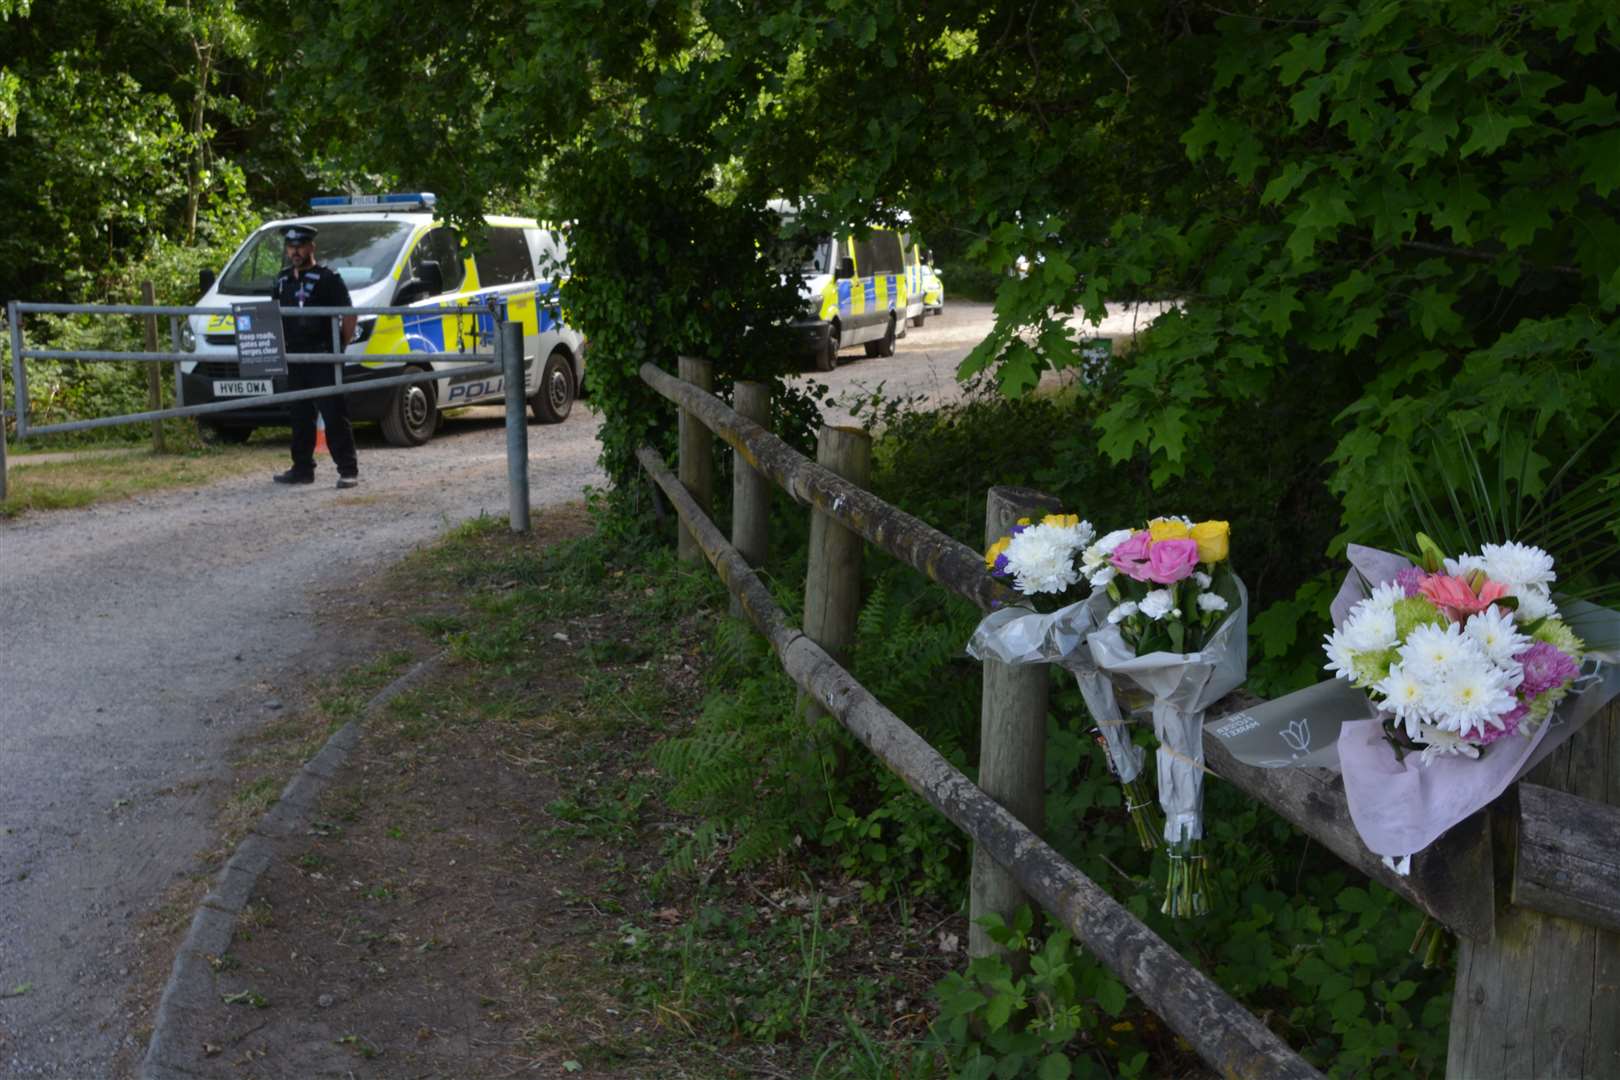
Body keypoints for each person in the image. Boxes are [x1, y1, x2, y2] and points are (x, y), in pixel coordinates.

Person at [270, 223, 361, 488]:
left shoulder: (328, 278)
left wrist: (339, 348)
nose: (295, 251)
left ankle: (347, 470)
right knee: (299, 415)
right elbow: (271, 316)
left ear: (311, 246)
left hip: (322, 354)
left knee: (334, 414)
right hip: (294, 356)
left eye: (300, 246)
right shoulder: (282, 280)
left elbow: (349, 313)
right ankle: (302, 469)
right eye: (291, 246)